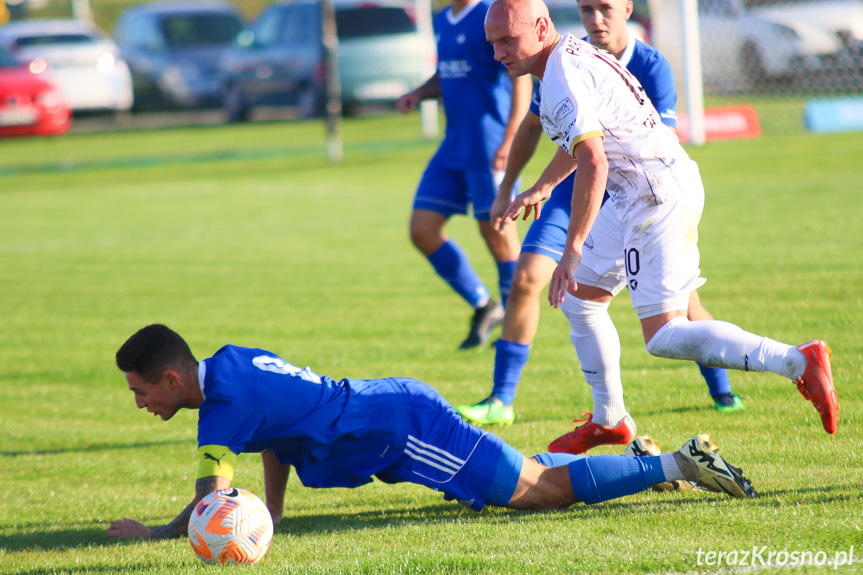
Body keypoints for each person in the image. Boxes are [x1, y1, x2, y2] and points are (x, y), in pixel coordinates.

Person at [481, 0, 838, 453]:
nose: (499, 52)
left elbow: (594, 160)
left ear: (541, 25)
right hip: (639, 190)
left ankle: (796, 361)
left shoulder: (562, 74)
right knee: (581, 303)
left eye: (507, 39)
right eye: (493, 43)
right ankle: (610, 420)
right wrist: (542, 186)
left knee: (665, 335)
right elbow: (585, 141)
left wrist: (571, 252)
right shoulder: (566, 56)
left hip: (656, 194)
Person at [107, 324, 755, 539]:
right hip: (395, 420)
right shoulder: (228, 364)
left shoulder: (221, 406)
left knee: (540, 492)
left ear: (168, 378)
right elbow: (273, 435)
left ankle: (677, 461)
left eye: (138, 391)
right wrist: (269, 516)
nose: (137, 403)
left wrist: (157, 532)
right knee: (510, 477)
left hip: (402, 426)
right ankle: (640, 460)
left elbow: (207, 501)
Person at [455, 0, 742, 433]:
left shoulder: (648, 64)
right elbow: (538, 129)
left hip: (635, 188)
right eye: (586, 9)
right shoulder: (556, 61)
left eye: (604, 8)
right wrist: (518, 186)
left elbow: (641, 148)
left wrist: (575, 239)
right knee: (532, 278)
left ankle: (722, 388)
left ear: (628, 8)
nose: (595, 19)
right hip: (577, 182)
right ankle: (507, 399)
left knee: (677, 310)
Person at [396, 0, 533, 349]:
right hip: (453, 145)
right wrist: (419, 93)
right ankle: (485, 305)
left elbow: (521, 79)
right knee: (421, 230)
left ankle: (515, 326)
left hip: (490, 146)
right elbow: (448, 73)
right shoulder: (443, 20)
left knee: (498, 234)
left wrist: (510, 138)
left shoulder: (493, 13)